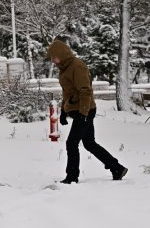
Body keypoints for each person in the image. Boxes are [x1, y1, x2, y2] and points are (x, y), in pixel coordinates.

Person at [47, 39, 128, 184]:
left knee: (72, 143)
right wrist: (65, 111)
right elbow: (68, 92)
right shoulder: (64, 68)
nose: (52, 61)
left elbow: (85, 91)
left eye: (54, 57)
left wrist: (83, 114)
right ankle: (116, 168)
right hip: (78, 110)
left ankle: (72, 177)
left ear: (61, 54)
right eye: (51, 58)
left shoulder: (77, 66)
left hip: (84, 110)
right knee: (89, 143)